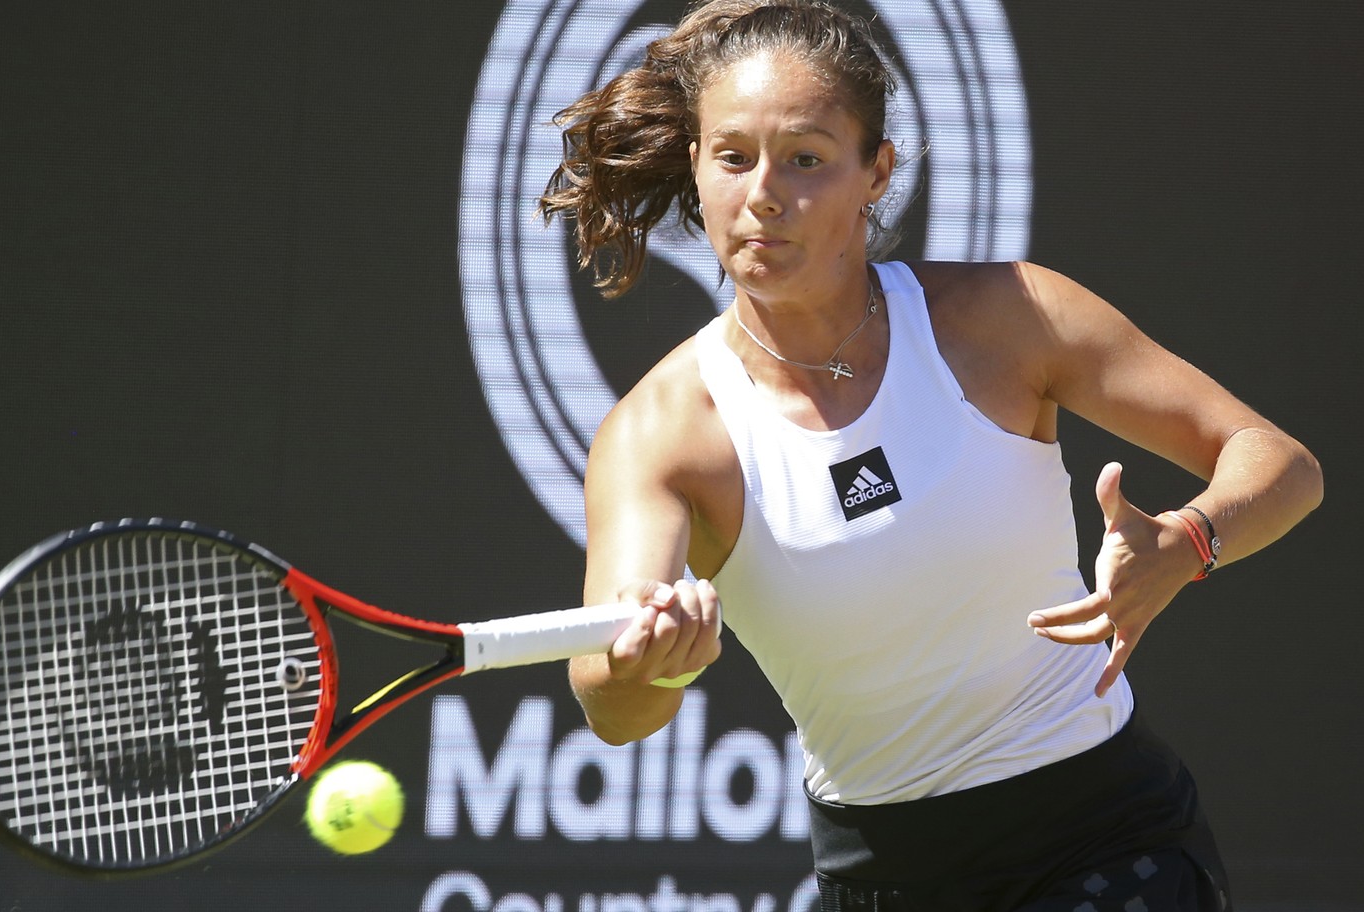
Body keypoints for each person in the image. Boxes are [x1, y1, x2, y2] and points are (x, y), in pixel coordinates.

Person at [538, 1, 1323, 909]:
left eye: (805, 159)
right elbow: (612, 706)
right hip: (884, 878)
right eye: (733, 157)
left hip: (1108, 845)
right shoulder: (661, 435)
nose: (762, 193)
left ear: (878, 173)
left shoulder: (1009, 320)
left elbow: (1278, 462)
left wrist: (1189, 540)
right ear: (697, 169)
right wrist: (657, 662)